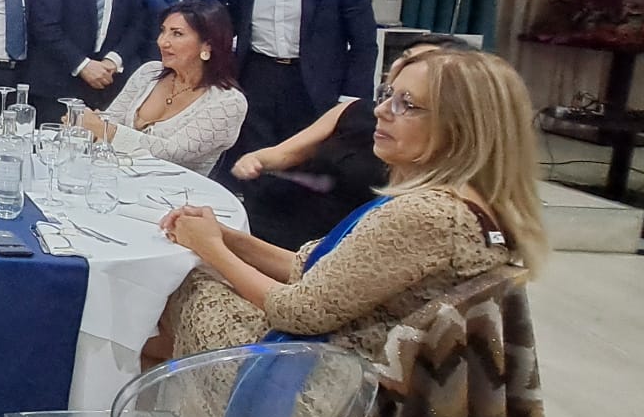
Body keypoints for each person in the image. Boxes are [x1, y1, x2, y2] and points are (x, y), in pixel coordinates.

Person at [153, 49, 545, 364]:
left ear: (461, 128)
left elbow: (299, 312)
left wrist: (210, 248)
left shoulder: (427, 215)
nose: (380, 111)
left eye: (407, 104)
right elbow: (316, 267)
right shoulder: (469, 203)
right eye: (387, 94)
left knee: (177, 279)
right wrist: (228, 238)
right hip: (348, 355)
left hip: (322, 380)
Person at [233, 34, 474, 250]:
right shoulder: (356, 109)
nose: (403, 66)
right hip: (280, 215)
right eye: (405, 57)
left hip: (326, 239)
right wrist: (255, 159)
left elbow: (311, 274)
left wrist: (224, 247)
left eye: (408, 104)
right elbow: (285, 152)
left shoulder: (421, 166)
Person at [229, 0, 378, 154]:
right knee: (254, 151)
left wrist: (353, 96)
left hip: (315, 81)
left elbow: (364, 42)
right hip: (257, 78)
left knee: (308, 153)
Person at [77, 1, 248, 174]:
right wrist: (87, 124)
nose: (162, 42)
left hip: (177, 189)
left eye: (177, 34)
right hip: (113, 176)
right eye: (163, 31)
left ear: (208, 45)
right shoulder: (148, 72)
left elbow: (172, 153)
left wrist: (106, 130)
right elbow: (110, 119)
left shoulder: (229, 102)